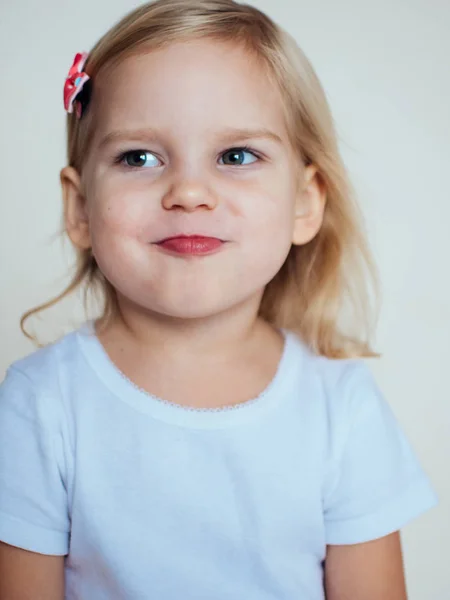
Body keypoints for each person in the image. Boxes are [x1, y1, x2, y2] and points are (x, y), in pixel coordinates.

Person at [0, 0, 437, 598]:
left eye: (236, 156)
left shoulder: (342, 409)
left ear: (305, 203)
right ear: (79, 208)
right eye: (140, 157)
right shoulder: (40, 406)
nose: (189, 191)